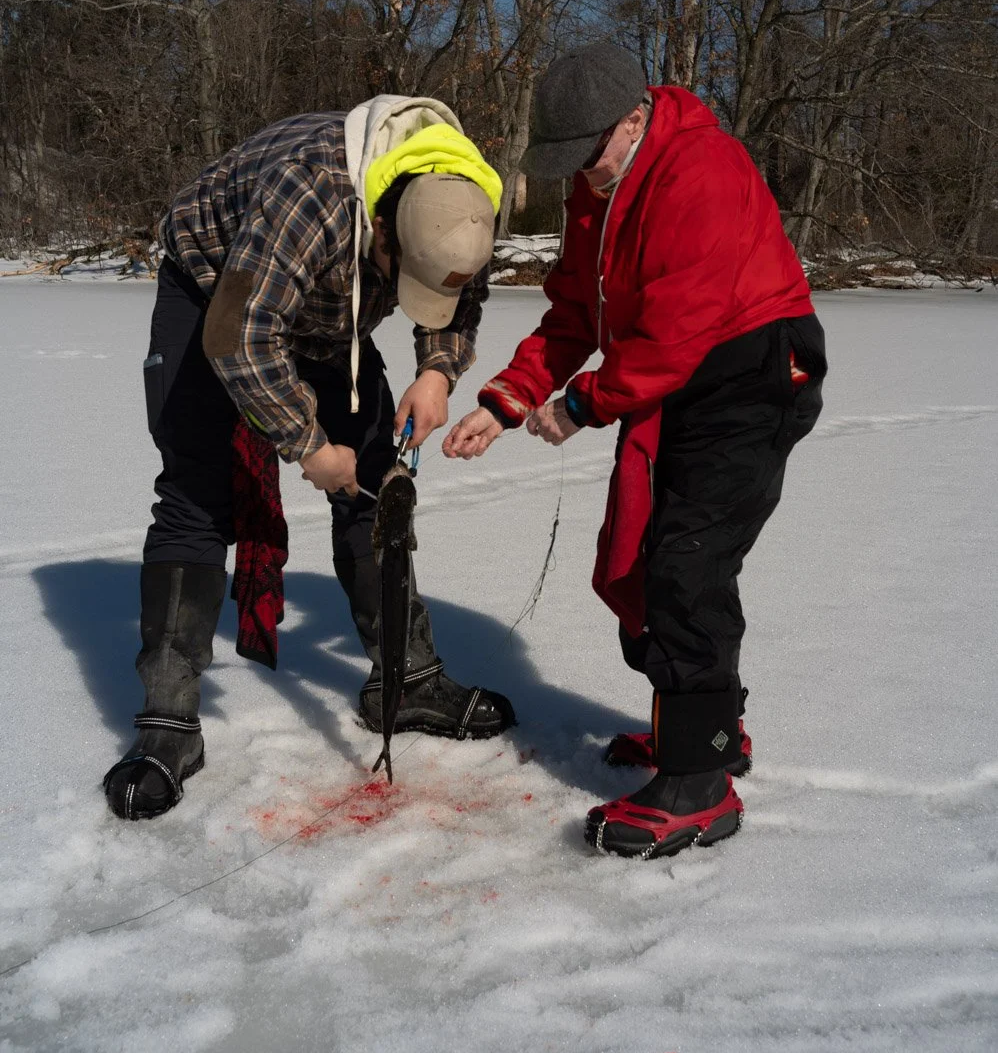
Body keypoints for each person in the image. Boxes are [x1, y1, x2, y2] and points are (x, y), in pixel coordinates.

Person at [444, 43, 826, 860]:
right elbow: (576, 313)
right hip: (676, 379)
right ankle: (704, 728)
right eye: (567, 159)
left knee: (688, 565)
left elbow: (674, 326)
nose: (581, 173)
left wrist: (583, 404)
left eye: (589, 153)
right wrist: (506, 401)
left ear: (634, 118)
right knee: (654, 555)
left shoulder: (702, 169)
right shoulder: (599, 189)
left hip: (755, 371)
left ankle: (701, 780)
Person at [105, 96, 515, 822]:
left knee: (378, 482)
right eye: (402, 276)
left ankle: (405, 681)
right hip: (217, 291)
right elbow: (239, 334)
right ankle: (168, 722)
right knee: (198, 494)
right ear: (382, 227)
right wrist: (308, 444)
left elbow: (460, 291)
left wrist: (437, 371)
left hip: (330, 311)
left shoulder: (462, 196)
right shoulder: (312, 190)